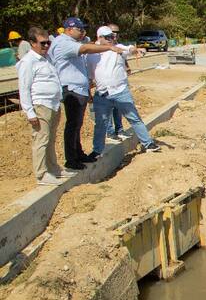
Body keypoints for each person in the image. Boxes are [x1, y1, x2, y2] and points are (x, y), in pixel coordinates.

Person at [47, 17, 126, 170]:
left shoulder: (72, 42)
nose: (83, 32)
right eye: (80, 29)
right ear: (69, 29)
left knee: (77, 124)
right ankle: (71, 159)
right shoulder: (64, 43)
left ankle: (78, 153)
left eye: (83, 29)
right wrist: (109, 48)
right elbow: (85, 49)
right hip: (72, 90)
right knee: (72, 125)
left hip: (79, 90)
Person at [16, 27, 76, 186]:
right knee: (41, 139)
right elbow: (24, 88)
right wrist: (30, 112)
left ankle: (53, 168)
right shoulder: (28, 62)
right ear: (32, 43)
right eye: (43, 43)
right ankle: (41, 174)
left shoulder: (47, 58)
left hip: (53, 104)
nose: (46, 46)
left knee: (50, 138)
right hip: (40, 105)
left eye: (48, 42)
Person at [87, 25, 159, 157]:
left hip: (120, 91)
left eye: (112, 36)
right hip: (102, 94)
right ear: (99, 38)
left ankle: (148, 143)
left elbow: (129, 49)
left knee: (134, 118)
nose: (111, 39)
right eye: (108, 37)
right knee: (100, 124)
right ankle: (97, 150)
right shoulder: (92, 54)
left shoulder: (118, 48)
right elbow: (90, 75)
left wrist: (136, 50)